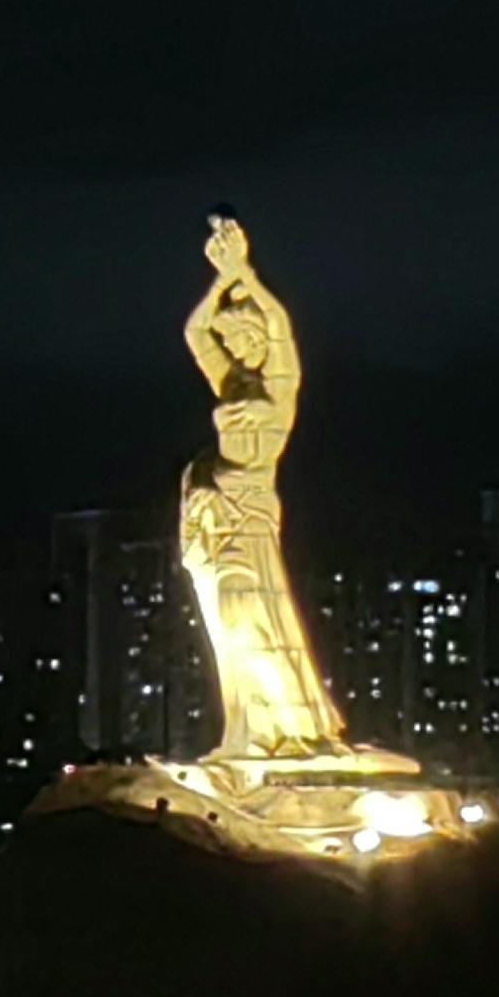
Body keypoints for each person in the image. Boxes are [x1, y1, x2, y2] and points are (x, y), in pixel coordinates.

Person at [179, 215, 349, 761]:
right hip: (219, 521)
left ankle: (278, 730)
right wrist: (220, 281)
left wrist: (243, 274)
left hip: (250, 520)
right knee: (229, 631)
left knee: (254, 618)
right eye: (229, 339)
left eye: (241, 336)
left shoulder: (279, 393)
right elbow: (193, 332)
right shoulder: (228, 384)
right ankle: (245, 732)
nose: (233, 345)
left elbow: (280, 327)